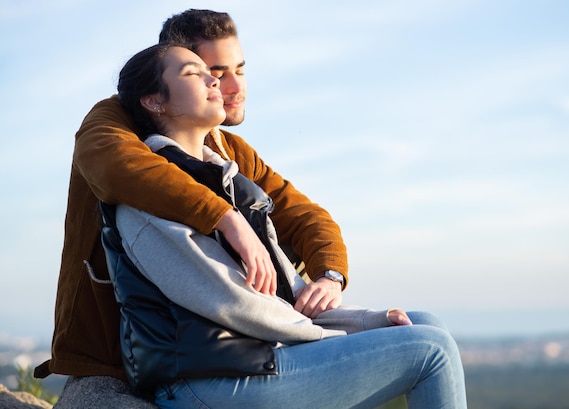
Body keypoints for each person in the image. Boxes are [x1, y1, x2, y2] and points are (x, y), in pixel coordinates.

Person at [109, 41, 466, 408]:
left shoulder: (227, 181)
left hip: (256, 357)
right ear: (154, 101)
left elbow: (289, 294)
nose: (213, 80)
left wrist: (366, 320)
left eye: (208, 71)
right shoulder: (150, 197)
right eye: (192, 73)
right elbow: (234, 303)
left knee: (425, 323)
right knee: (430, 348)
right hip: (208, 381)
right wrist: (345, 334)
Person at [35, 11, 349, 406]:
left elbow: (302, 214)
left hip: (224, 346)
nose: (229, 84)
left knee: (417, 332)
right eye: (213, 70)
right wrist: (226, 217)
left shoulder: (227, 149)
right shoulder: (113, 119)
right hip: (122, 354)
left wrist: (330, 276)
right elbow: (122, 167)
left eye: (240, 69)